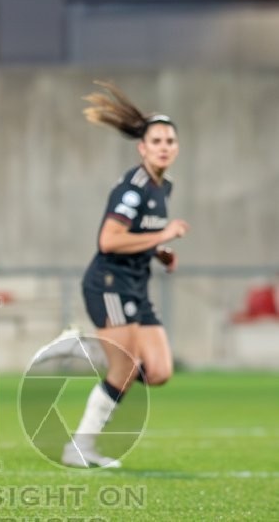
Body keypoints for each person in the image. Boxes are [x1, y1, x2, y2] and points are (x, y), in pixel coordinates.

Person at [61, 81, 189, 468]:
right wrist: (164, 234)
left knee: (161, 371)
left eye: (170, 140)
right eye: (157, 140)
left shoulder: (162, 187)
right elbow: (109, 240)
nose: (164, 146)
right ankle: (78, 448)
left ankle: (115, 368)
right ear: (143, 147)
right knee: (127, 366)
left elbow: (139, 236)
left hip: (136, 285)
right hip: (109, 283)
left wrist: (159, 250)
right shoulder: (133, 187)